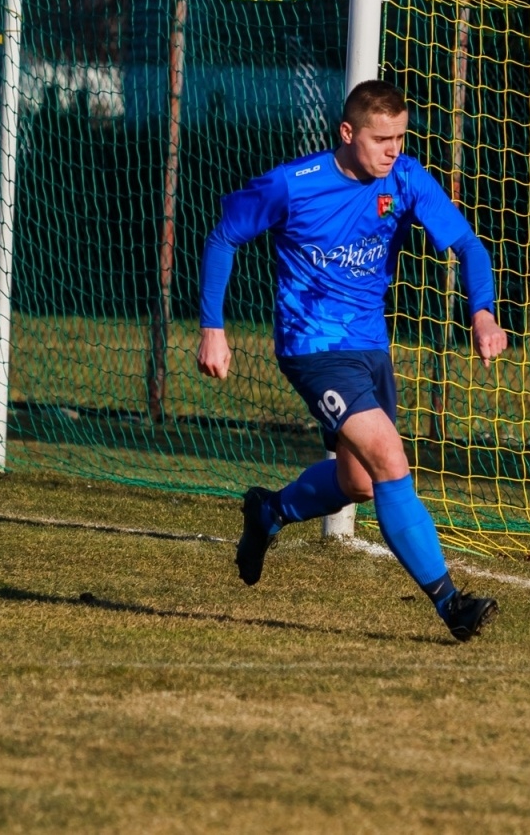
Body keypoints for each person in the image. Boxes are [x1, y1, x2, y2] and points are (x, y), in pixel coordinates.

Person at [197, 79, 509, 642]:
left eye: (400, 137)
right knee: (391, 459)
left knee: (360, 483)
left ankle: (269, 512)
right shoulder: (295, 185)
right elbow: (224, 237)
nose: (393, 150)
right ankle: (450, 604)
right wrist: (212, 328)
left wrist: (481, 313)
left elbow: (467, 245)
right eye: (381, 138)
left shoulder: (405, 178)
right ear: (348, 132)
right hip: (312, 346)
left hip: (370, 346)